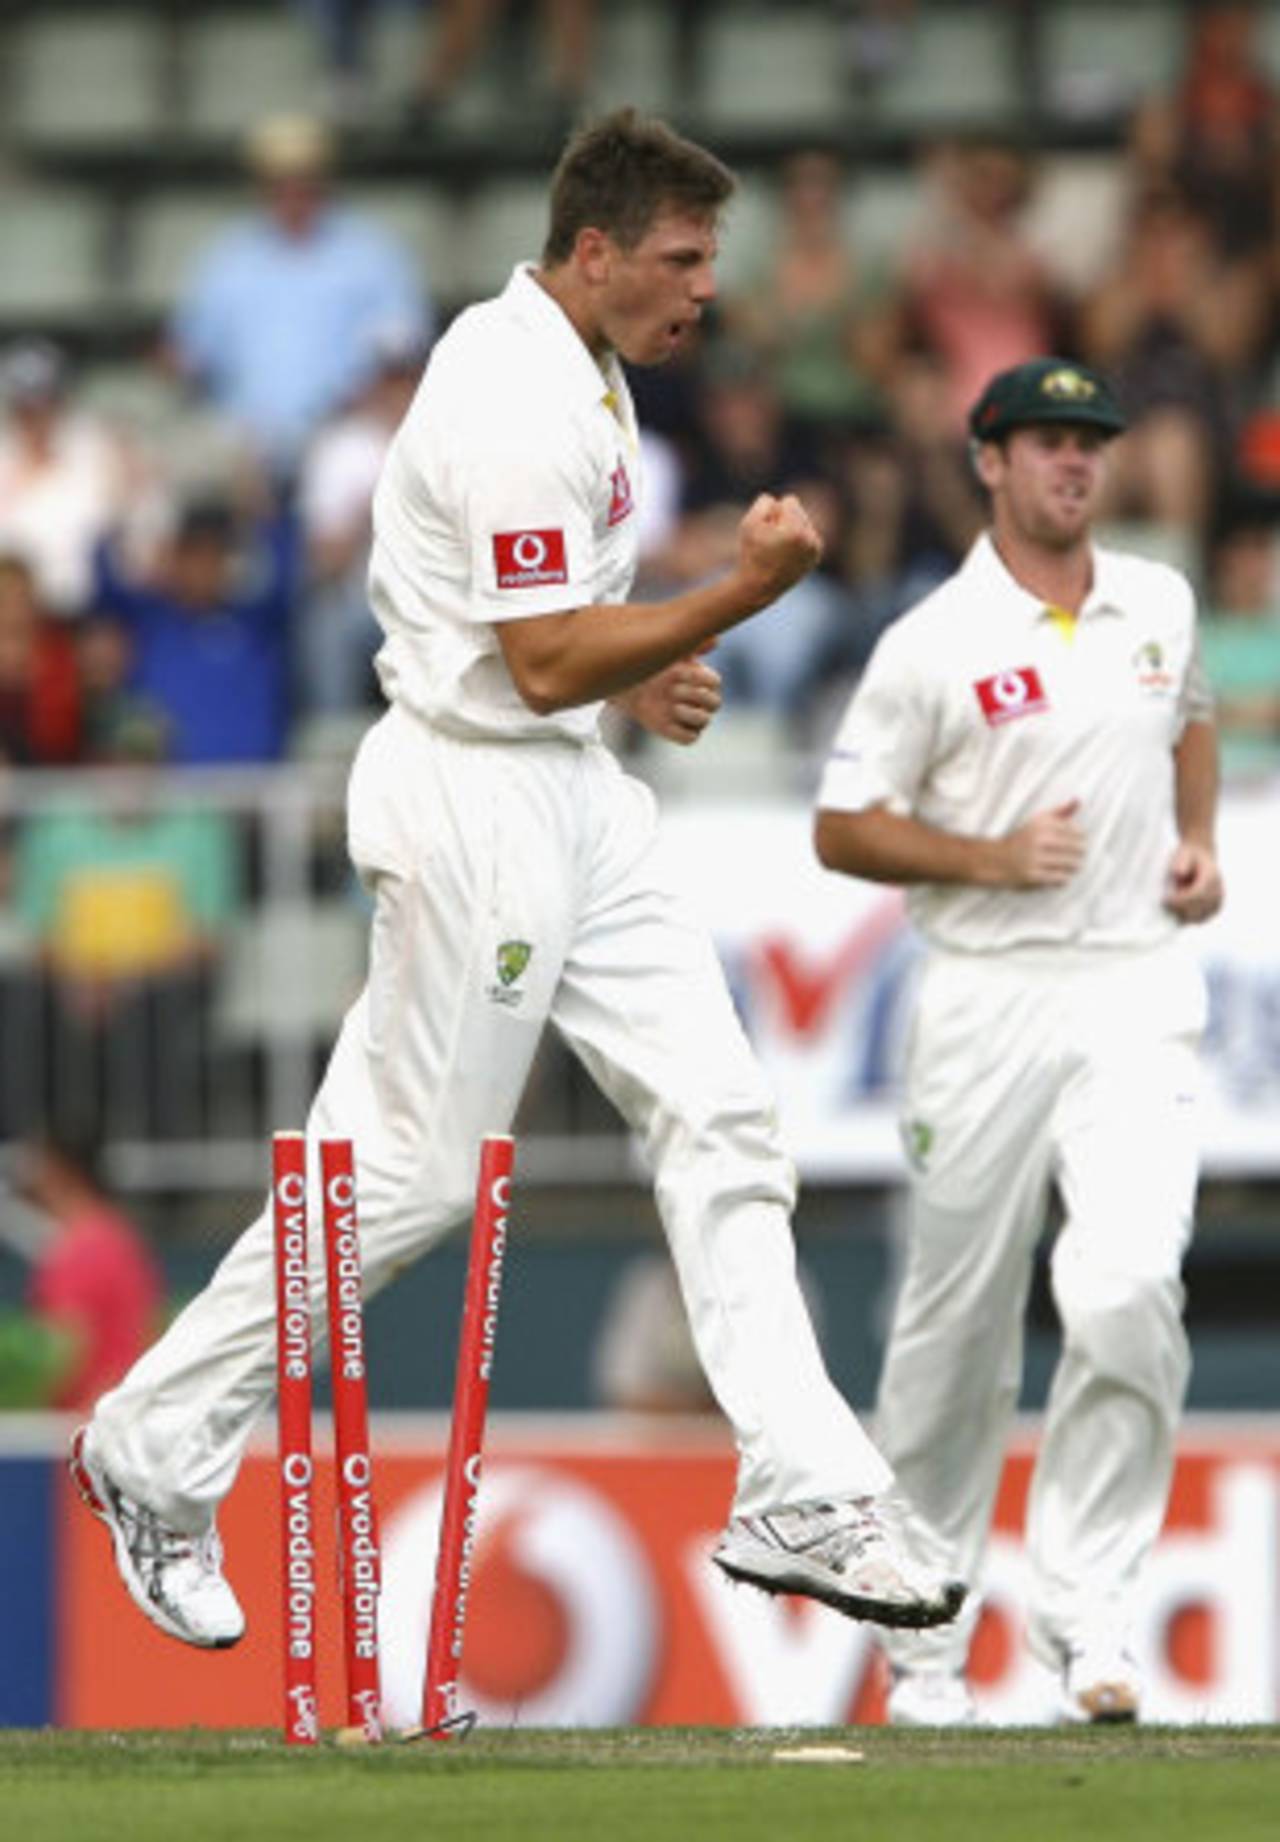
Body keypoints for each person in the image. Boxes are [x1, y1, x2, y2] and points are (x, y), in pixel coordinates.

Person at [71, 108, 963, 1654]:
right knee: (407, 1178)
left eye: (712, 262)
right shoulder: (507, 389)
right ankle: (149, 1445)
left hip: (568, 792)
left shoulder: (597, 374)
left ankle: (802, 1481)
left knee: (724, 1111)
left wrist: (648, 673)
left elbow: (549, 645)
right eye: (681, 261)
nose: (704, 292)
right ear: (595, 251)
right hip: (471, 799)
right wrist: (732, 597)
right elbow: (538, 657)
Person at [813, 357, 1224, 1726]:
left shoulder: (1158, 599)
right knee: (953, 1327)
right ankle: (923, 1640)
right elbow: (844, 824)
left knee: (1125, 1287)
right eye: (1046, 442)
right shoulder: (930, 639)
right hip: (984, 992)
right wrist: (989, 857)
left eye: (1089, 443)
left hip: (1135, 988)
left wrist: (1200, 846)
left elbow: (1196, 719)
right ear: (987, 457)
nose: (1073, 464)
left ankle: (1091, 1611)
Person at [168, 114, 432, 484]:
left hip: (348, 429)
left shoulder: (372, 254)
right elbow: (193, 353)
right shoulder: (227, 259)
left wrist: (357, 407)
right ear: (261, 188)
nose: (293, 196)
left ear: (324, 184)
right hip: (246, 438)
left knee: (359, 463)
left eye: (304, 183)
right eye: (280, 184)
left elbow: (404, 352)